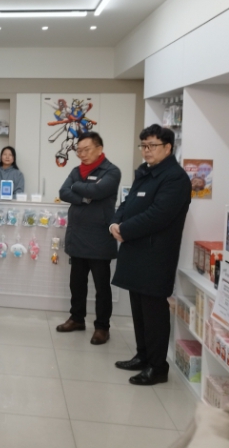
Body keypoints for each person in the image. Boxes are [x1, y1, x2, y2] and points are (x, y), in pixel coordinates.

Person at [111, 124, 191, 386]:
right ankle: (143, 356)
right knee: (139, 310)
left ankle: (157, 367)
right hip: (136, 251)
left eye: (152, 146)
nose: (146, 151)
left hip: (156, 255)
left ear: (168, 147)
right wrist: (115, 222)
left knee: (154, 313)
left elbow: (158, 215)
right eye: (143, 146)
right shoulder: (145, 172)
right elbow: (128, 202)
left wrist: (125, 230)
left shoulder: (175, 178)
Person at [55, 132, 121, 345]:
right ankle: (76, 319)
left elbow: (99, 190)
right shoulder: (76, 171)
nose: (82, 154)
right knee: (77, 283)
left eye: (86, 150)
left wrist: (77, 187)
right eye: (79, 151)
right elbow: (63, 192)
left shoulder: (111, 171)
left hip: (100, 237)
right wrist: (85, 196)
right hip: (77, 236)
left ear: (99, 149)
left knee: (102, 287)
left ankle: (102, 327)